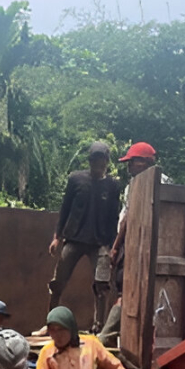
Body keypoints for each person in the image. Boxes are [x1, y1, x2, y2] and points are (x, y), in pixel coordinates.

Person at [45, 141, 121, 334]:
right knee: (58, 281)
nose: (98, 164)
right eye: (95, 160)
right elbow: (65, 209)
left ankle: (99, 328)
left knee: (101, 285)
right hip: (74, 238)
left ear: (107, 161)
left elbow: (114, 217)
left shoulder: (112, 185)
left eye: (102, 160)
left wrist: (113, 246)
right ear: (90, 160)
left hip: (100, 241)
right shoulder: (76, 179)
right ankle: (50, 323)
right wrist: (57, 237)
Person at [102, 142, 158, 346]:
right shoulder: (164, 184)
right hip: (143, 246)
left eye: (132, 162)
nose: (129, 167)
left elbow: (127, 219)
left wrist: (116, 246)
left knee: (125, 292)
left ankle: (106, 338)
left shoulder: (138, 186)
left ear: (144, 162)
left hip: (135, 246)